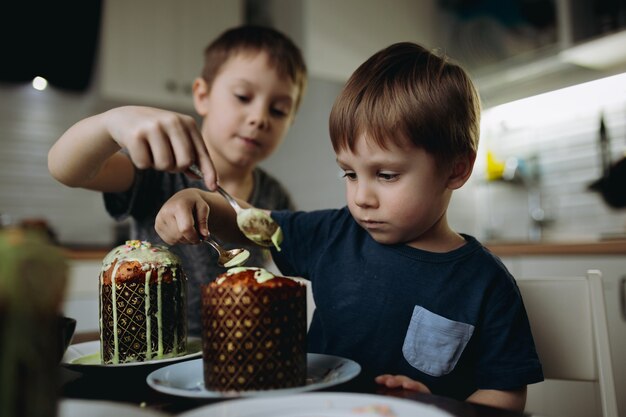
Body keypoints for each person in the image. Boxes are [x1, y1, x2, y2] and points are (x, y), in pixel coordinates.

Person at [153, 42, 543, 411]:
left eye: (386, 175)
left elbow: (504, 394)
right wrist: (200, 201)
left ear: (456, 169)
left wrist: (438, 406)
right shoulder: (334, 235)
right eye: (349, 174)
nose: (361, 197)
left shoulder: (484, 283)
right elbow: (251, 223)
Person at [47, 25, 307, 336]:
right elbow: (67, 170)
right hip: (156, 352)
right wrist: (110, 123)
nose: (259, 117)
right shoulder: (156, 172)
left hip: (240, 351)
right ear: (202, 95)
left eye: (278, 110)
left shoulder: (275, 195)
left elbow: (293, 254)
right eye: (242, 96)